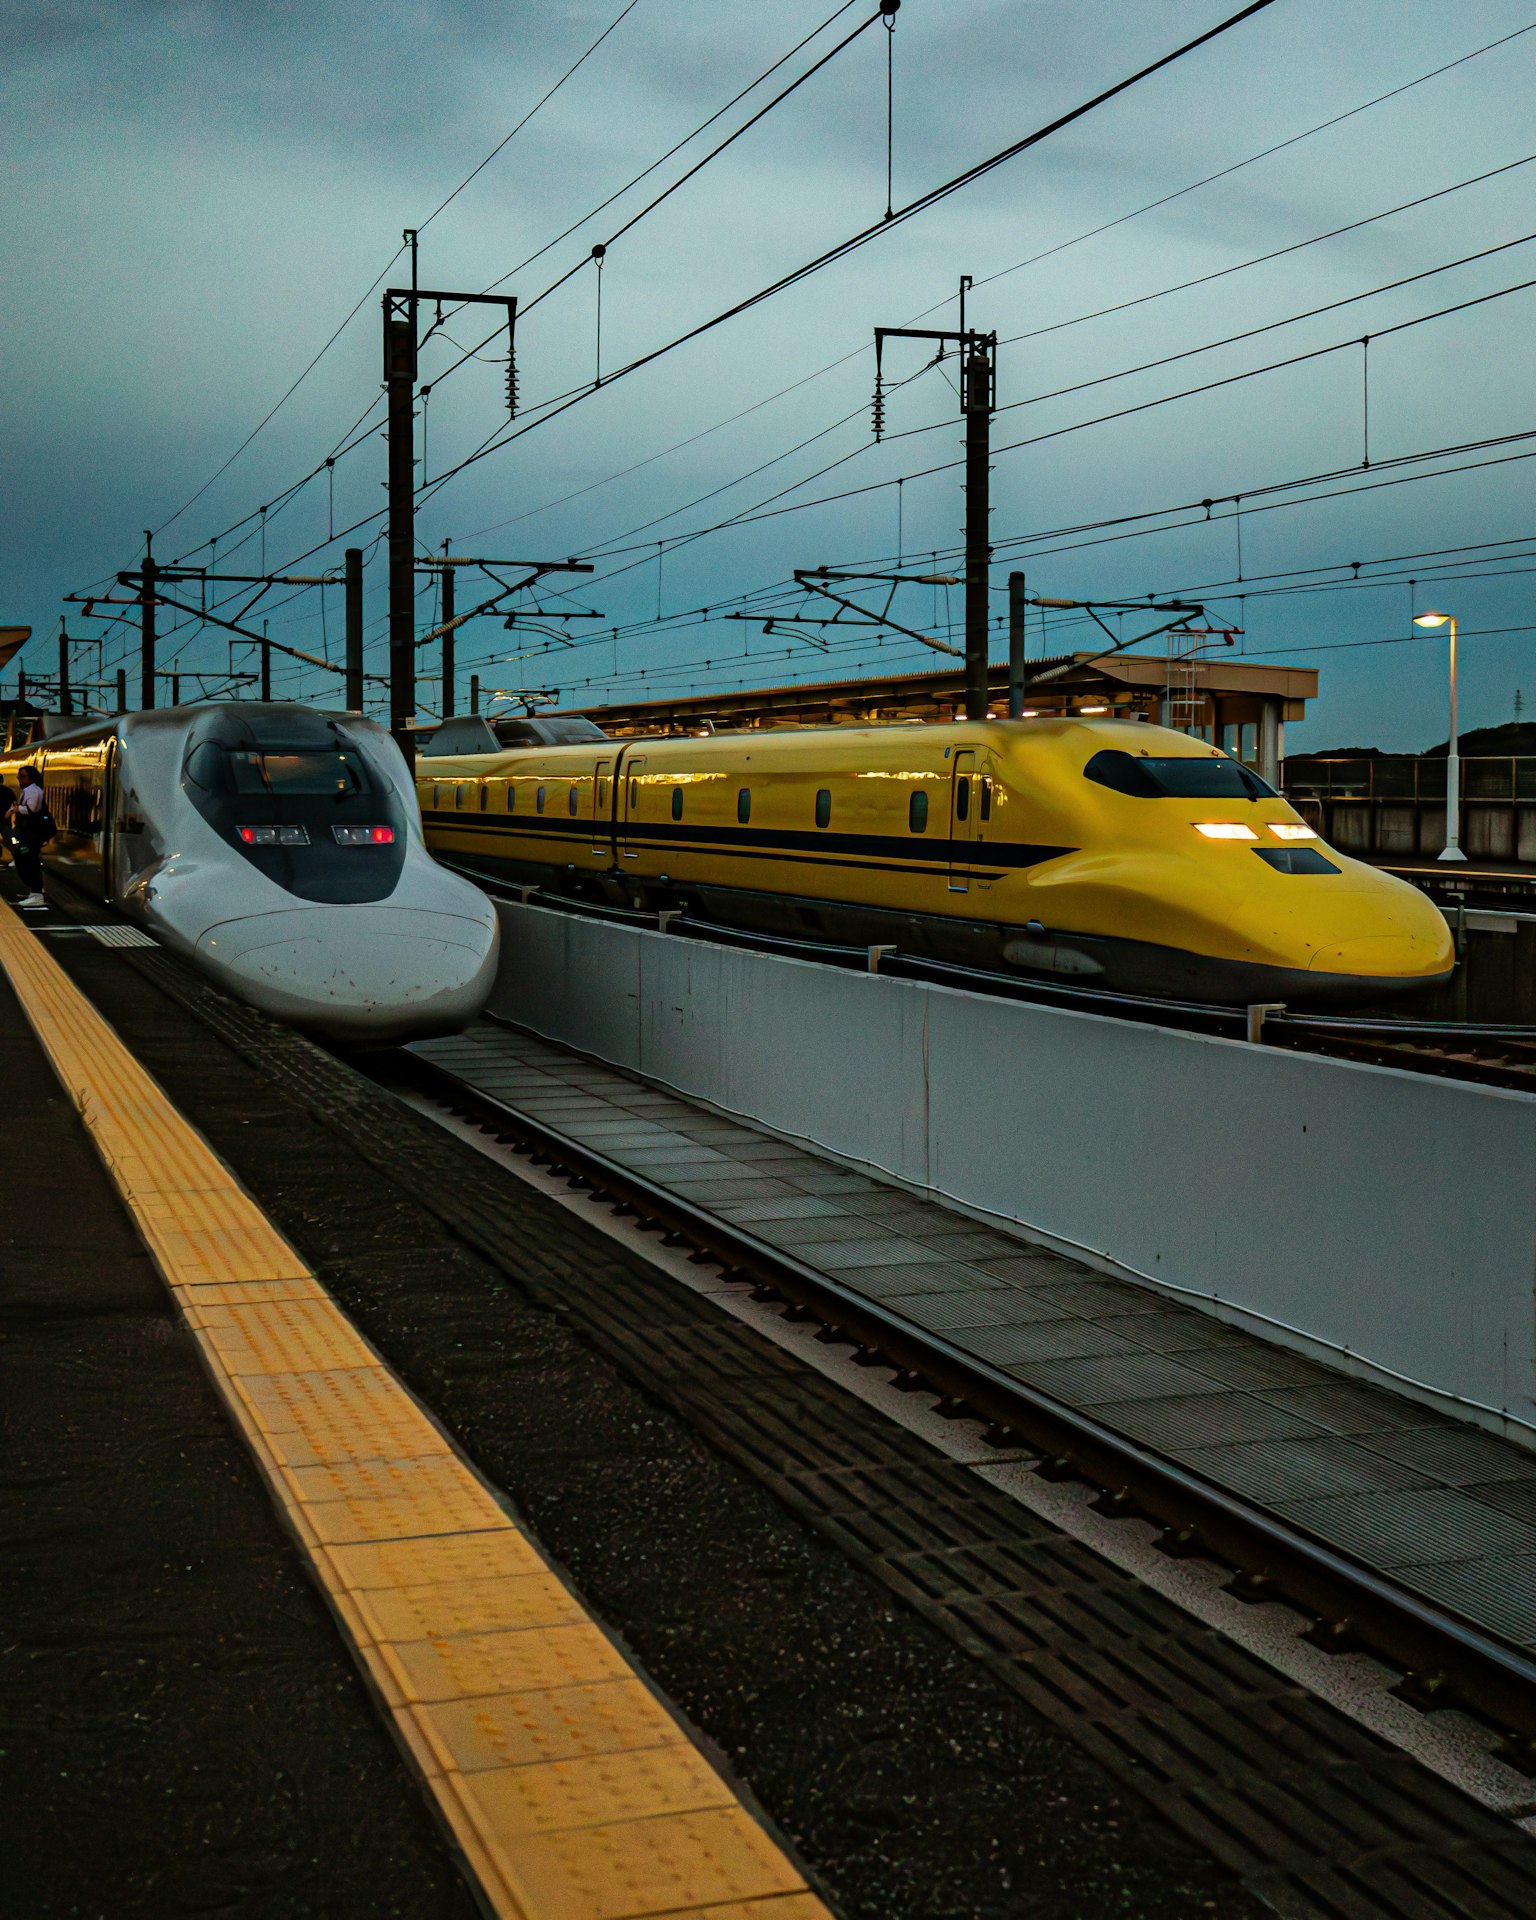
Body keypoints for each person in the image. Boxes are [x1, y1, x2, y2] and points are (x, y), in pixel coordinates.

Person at [9, 767, 50, 907]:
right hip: (31, 834)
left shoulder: (33, 791)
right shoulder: (31, 790)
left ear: (31, 777)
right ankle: (35, 892)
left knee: (26, 861)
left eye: (22, 776)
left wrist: (16, 809)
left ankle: (37, 894)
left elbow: (31, 810)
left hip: (32, 834)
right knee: (26, 860)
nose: (19, 779)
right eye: (19, 776)